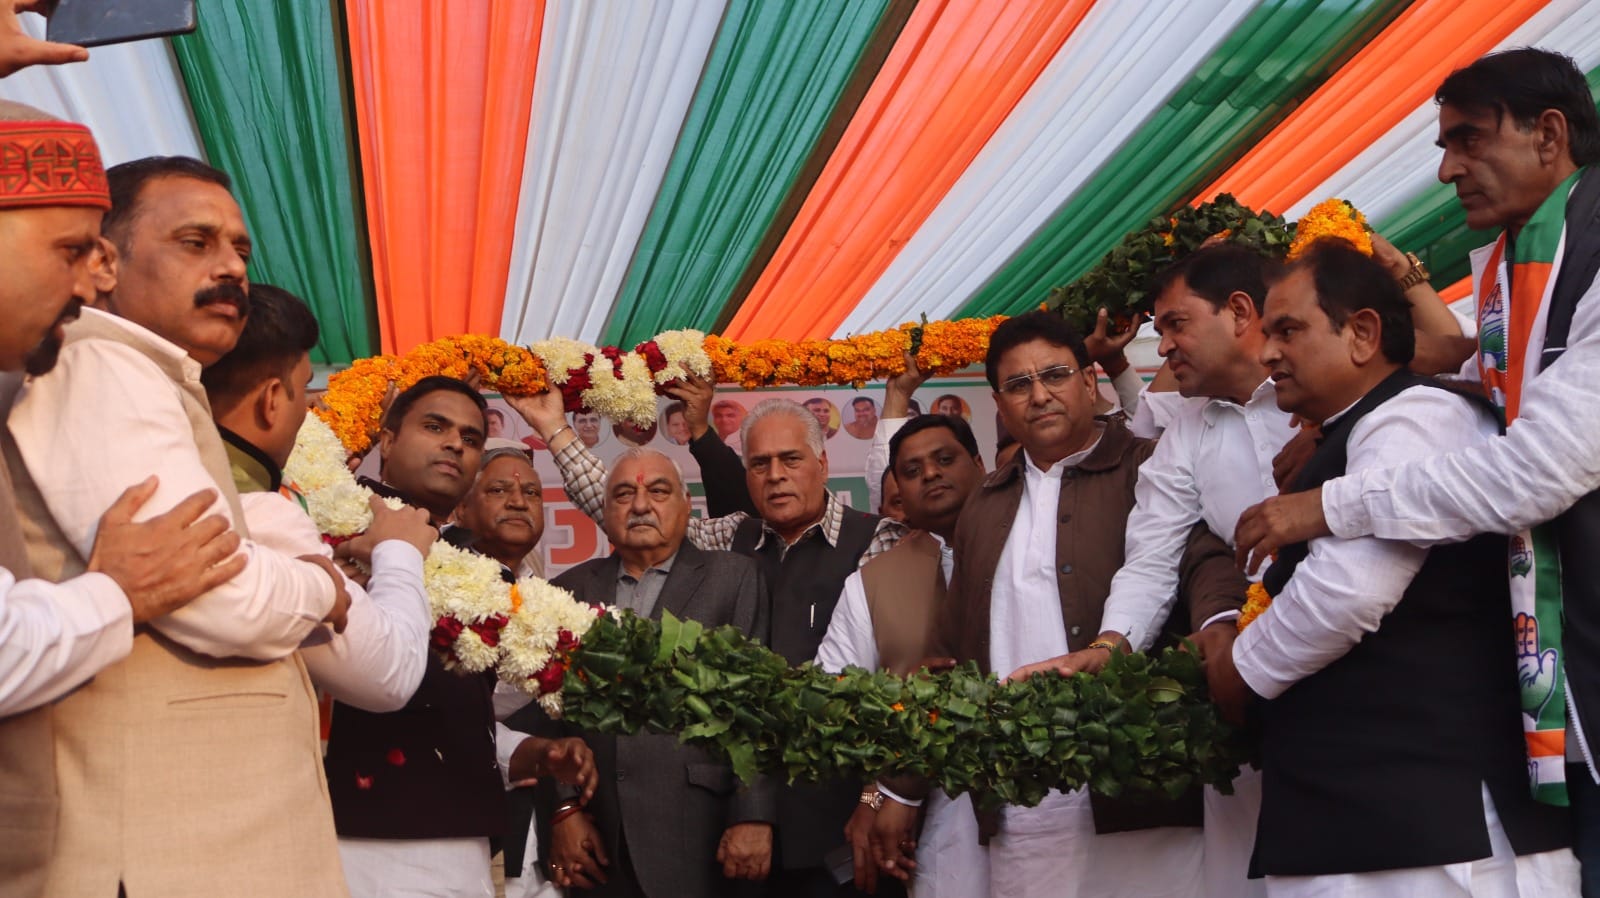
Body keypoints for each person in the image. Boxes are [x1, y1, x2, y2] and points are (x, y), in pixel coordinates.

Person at [1229, 48, 1600, 890]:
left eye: (1469, 140)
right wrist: (1385, 394)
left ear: (1548, 135)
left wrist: (1331, 503)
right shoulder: (1524, 260)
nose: (1446, 170)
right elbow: (1509, 385)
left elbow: (1539, 469)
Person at [3, 153, 355, 896]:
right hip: (170, 852)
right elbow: (219, 596)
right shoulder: (101, 362)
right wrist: (323, 588)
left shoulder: (149, 374)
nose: (231, 269)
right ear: (106, 261)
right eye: (195, 243)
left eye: (240, 250)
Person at [1214, 239, 1572, 895]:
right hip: (1378, 827)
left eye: (1288, 331)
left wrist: (1237, 669)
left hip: (1424, 833)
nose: (1266, 354)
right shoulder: (1363, 424)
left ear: (1362, 333)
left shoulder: (1414, 414)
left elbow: (1349, 592)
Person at [512, 388, 906, 896]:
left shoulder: (876, 540)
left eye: (791, 459)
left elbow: (900, 680)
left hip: (841, 812)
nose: (775, 475)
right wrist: (554, 429)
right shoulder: (732, 538)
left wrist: (879, 796)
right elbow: (638, 514)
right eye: (759, 463)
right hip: (727, 830)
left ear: (823, 463)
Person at [907, 311, 1244, 898]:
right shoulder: (983, 504)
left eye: (1055, 375)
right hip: (1022, 807)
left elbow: (1206, 562)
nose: (1039, 396)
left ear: (1090, 381)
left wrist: (1223, 628)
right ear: (999, 404)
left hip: (1139, 793)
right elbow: (953, 651)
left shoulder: (1150, 465)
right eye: (1019, 385)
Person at [325, 376, 593, 898]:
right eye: (435, 426)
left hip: (467, 841)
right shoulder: (341, 529)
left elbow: (455, 713)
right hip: (367, 839)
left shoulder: (485, 574)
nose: (455, 444)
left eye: (471, 437)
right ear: (386, 441)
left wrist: (530, 751)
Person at [534, 448, 775, 896]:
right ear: (605, 511)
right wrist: (564, 809)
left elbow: (754, 705)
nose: (641, 506)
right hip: (597, 834)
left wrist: (753, 814)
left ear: (687, 505)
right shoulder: (567, 591)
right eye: (623, 494)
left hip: (698, 827)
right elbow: (549, 715)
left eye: (658, 492)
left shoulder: (733, 578)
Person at [202, 282, 437, 713]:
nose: (312, 406)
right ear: (272, 400)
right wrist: (400, 550)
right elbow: (389, 674)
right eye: (304, 387)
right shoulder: (261, 513)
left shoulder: (170, 475)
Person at [816, 414, 989, 898]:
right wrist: (904, 705)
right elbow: (831, 706)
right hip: (934, 823)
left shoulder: (1036, 549)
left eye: (944, 459)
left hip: (1049, 801)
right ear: (899, 493)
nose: (930, 474)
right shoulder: (871, 584)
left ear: (980, 465)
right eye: (911, 471)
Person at [450, 441, 546, 580]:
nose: (519, 503)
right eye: (498, 490)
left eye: (531, 493)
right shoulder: (432, 572)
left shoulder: (539, 577)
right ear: (462, 508)